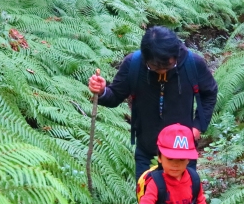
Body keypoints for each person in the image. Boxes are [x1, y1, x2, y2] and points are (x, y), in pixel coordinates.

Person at [88, 26, 218, 181]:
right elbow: (115, 95)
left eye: (167, 66)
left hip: (182, 150)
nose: (162, 71)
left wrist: (198, 126)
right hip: (147, 149)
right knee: (146, 198)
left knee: (183, 202)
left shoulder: (192, 64)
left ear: (175, 56)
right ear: (145, 57)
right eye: (155, 67)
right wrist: (102, 91)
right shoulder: (134, 64)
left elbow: (209, 93)